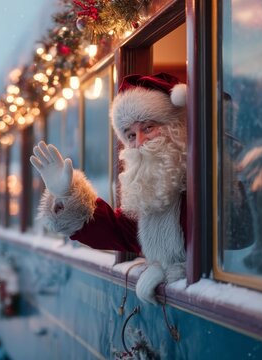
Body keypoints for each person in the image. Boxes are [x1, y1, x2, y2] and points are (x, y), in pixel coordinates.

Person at [30, 73, 188, 304]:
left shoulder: (209, 176)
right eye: (131, 135)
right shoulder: (154, 186)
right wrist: (66, 196)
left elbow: (233, 246)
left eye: (149, 127)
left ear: (175, 126)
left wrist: (174, 272)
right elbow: (119, 232)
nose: (140, 142)